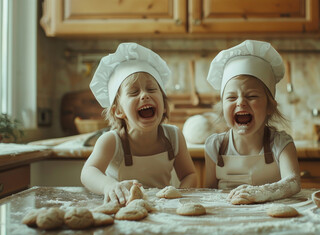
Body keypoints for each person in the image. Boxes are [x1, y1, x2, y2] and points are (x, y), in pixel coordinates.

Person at [81, 43, 197, 205]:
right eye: (134, 92)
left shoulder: (173, 136)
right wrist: (109, 186)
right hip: (124, 208)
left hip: (162, 210)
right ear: (118, 111)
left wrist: (179, 195)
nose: (144, 95)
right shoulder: (111, 141)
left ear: (163, 104)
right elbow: (88, 172)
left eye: (151, 89)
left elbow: (189, 175)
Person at [203, 40, 301, 205]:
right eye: (231, 97)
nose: (240, 102)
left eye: (252, 96)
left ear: (270, 106)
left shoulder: (281, 144)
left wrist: (261, 192)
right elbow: (208, 193)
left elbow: (293, 182)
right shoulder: (215, 146)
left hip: (269, 219)